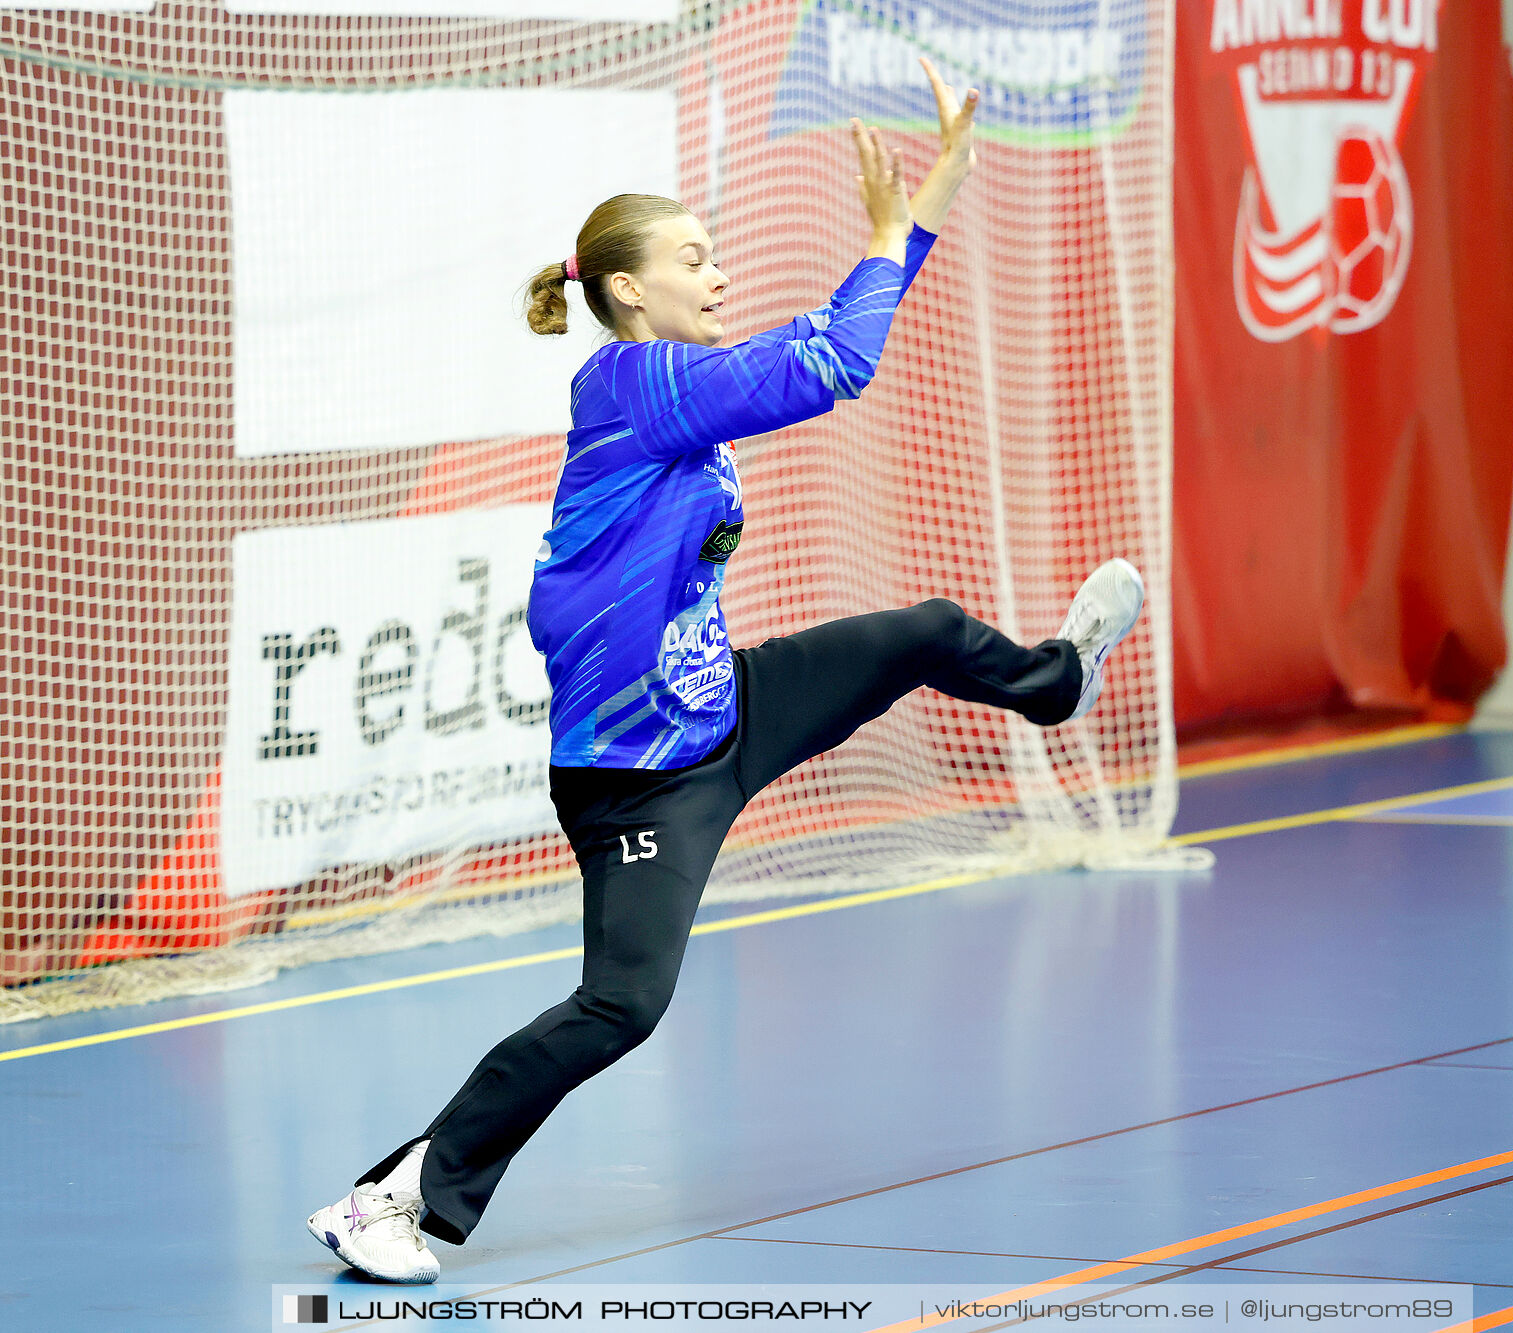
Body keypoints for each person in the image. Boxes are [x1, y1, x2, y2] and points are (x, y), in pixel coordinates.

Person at [308, 58, 1144, 1283]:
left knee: (916, 630)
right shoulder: (634, 384)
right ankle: (393, 1199)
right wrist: (888, 233)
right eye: (695, 257)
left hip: (724, 709)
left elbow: (816, 355)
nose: (718, 272)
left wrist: (912, 223)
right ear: (630, 291)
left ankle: (1055, 684)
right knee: (621, 1008)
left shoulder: (671, 393)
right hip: (637, 782)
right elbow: (830, 365)